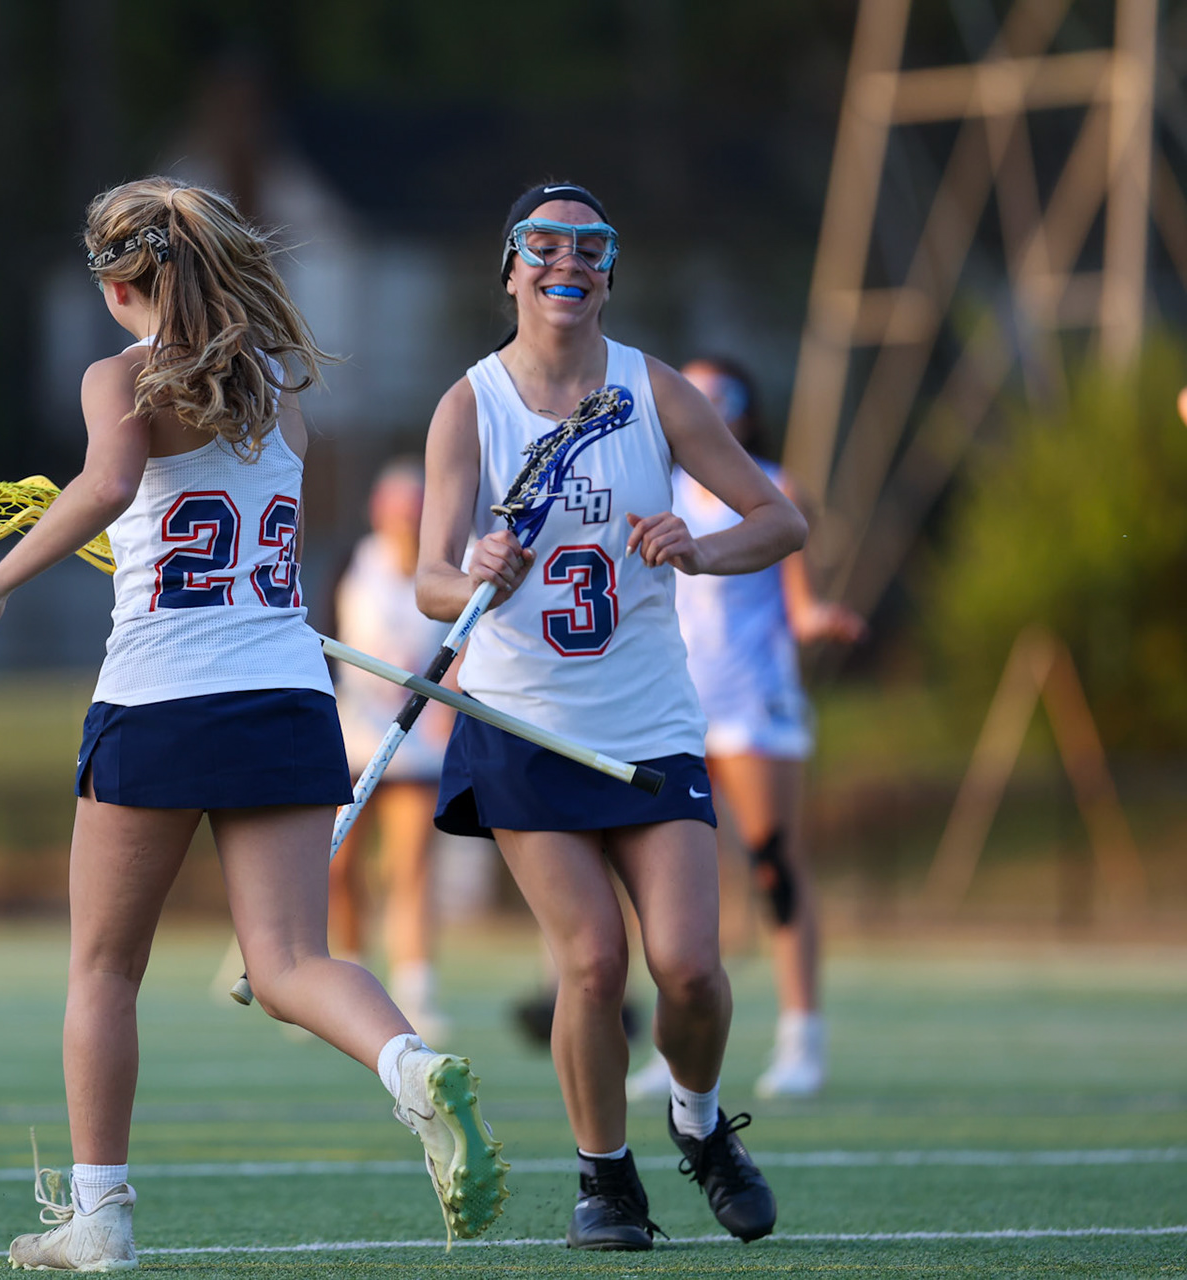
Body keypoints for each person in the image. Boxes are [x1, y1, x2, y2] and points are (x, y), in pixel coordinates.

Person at [0, 177, 508, 1271]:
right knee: (292, 958)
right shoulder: (278, 388)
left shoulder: (120, 377)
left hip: (156, 699)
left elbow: (110, 484)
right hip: (286, 695)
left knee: (104, 969)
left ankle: (98, 1213)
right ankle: (406, 1062)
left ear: (117, 284)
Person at [416, 181, 805, 1251]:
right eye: (543, 245)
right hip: (525, 724)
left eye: (590, 247)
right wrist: (474, 572)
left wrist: (700, 545)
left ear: (608, 274)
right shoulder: (470, 405)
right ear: (510, 269)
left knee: (689, 965)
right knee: (590, 960)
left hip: (650, 723)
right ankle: (606, 1179)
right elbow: (428, 581)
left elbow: (782, 519)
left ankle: (698, 1119)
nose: (566, 262)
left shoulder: (657, 390)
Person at [625, 358, 865, 1104]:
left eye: (719, 394)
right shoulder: (653, 487)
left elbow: (797, 600)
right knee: (677, 882)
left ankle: (802, 1035)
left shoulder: (773, 486)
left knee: (773, 864)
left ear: (746, 410)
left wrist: (819, 620)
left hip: (754, 703)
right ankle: (680, 1047)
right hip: (675, 705)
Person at [329, 458, 454, 1043]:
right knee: (340, 866)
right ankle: (348, 983)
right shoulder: (354, 566)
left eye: (415, 507)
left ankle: (414, 988)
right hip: (356, 735)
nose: (405, 518)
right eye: (396, 507)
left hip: (416, 740)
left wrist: (448, 706)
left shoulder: (442, 571)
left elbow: (462, 648)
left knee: (409, 867)